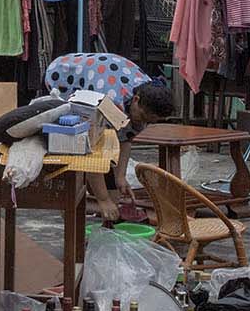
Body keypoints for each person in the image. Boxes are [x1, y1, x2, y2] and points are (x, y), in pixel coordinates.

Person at [43, 51, 174, 221]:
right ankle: (69, 207)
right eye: (142, 118)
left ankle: (94, 207)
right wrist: (103, 200)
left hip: (103, 75)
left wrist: (120, 177)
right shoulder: (108, 103)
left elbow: (127, 137)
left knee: (113, 194)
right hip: (63, 76)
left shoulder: (149, 93)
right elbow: (90, 154)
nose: (143, 123)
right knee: (75, 144)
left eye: (150, 122)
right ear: (135, 100)